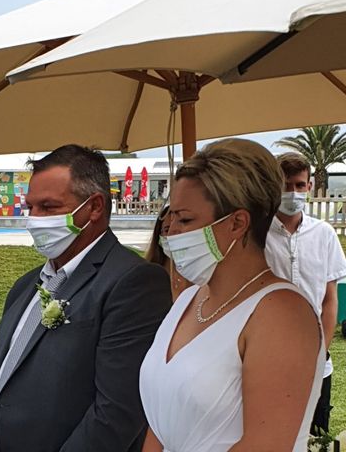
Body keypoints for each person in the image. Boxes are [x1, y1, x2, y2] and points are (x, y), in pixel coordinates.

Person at [0, 144, 172, 452]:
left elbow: (117, 412)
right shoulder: (25, 286)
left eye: (48, 207)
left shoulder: (132, 282)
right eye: (30, 207)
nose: (33, 220)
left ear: (94, 207)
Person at [140, 138, 324, 452]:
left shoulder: (281, 315)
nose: (170, 233)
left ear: (237, 223)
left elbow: (265, 444)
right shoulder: (188, 300)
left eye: (185, 220)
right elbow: (160, 425)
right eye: (170, 219)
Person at [264, 152, 346, 435]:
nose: (293, 192)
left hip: (316, 362)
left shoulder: (324, 234)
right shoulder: (258, 236)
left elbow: (329, 299)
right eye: (286, 185)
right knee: (273, 432)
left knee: (315, 433)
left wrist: (320, 352)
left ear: (309, 186)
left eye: (299, 185)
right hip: (267, 358)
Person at [145, 204, 191, 301]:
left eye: (180, 229)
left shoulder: (201, 274)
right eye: (166, 229)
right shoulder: (149, 275)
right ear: (159, 236)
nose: (172, 234)